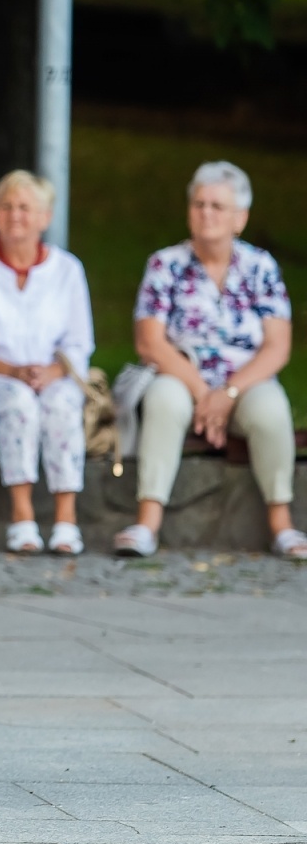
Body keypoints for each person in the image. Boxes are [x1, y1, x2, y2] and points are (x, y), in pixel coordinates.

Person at [118, 161, 303, 560]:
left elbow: (277, 346)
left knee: (271, 410)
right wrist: (206, 393)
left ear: (240, 218)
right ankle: (147, 521)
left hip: (245, 380)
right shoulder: (165, 265)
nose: (205, 213)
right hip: (181, 375)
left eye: (217, 206)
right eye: (199, 204)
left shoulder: (261, 268)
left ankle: (281, 523)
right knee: (164, 400)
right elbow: (150, 342)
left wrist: (231, 390)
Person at [0, 171, 94, 555]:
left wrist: (53, 372)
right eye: (6, 207)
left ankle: (65, 518)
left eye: (25, 208)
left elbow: (80, 343)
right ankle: (22, 515)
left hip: (49, 376)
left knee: (62, 402)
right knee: (17, 400)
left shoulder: (67, 270)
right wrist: (12, 371)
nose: (15, 216)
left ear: (45, 217)